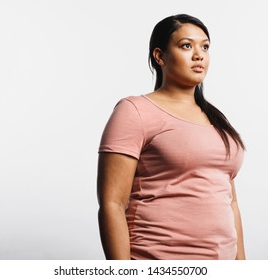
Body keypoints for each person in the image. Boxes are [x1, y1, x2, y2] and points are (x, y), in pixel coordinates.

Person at [97, 14, 246, 260]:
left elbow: (230, 203)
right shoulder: (135, 110)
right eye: (186, 45)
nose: (199, 55)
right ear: (160, 56)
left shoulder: (217, 120)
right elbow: (112, 203)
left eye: (205, 47)